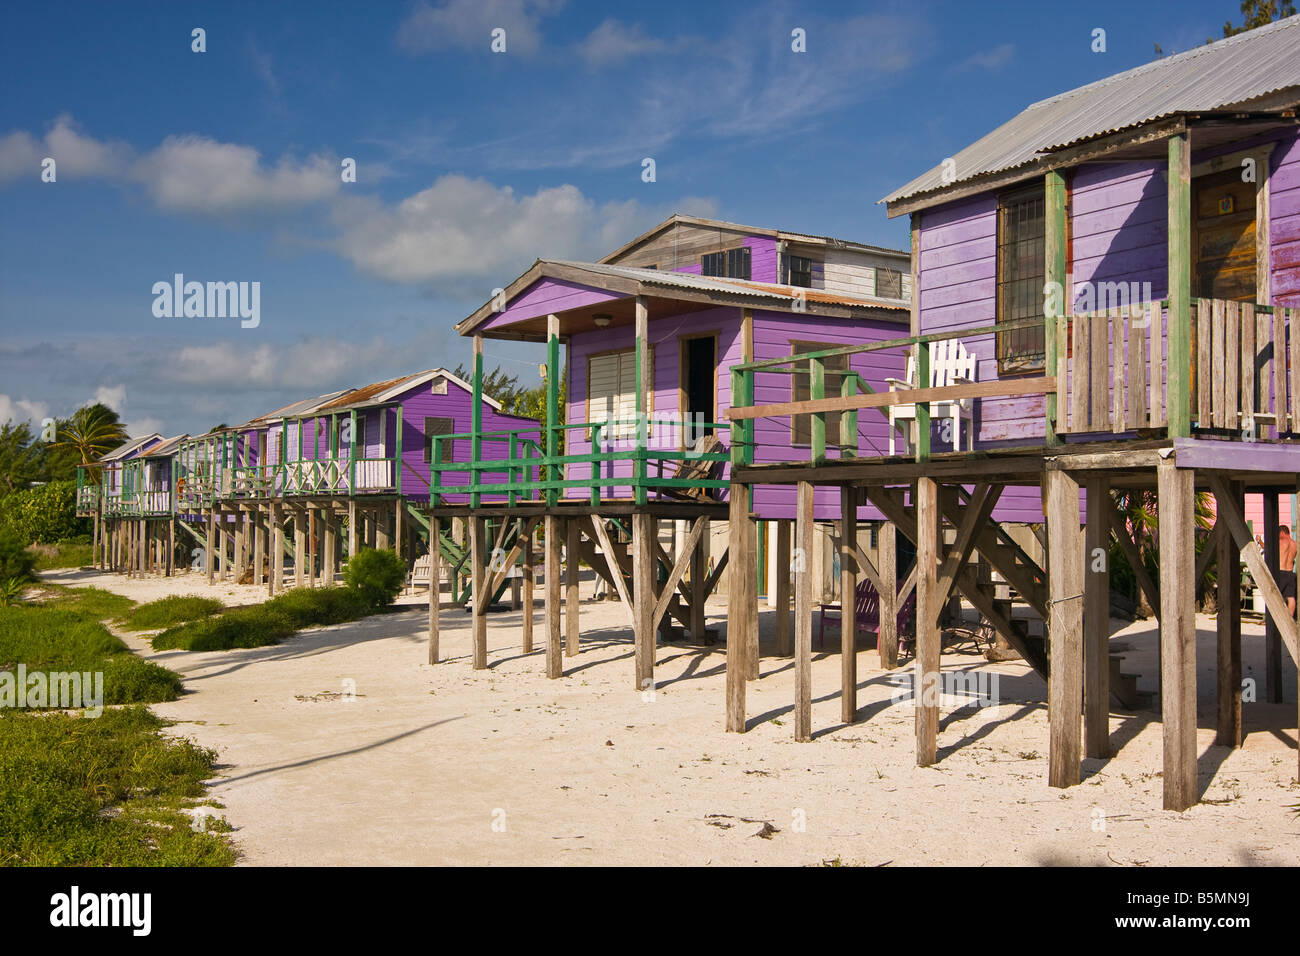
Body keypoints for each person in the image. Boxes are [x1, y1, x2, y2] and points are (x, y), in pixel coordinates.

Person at [1280, 525, 1297, 618]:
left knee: (1277, 596)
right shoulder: (1295, 544)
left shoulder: (1280, 542)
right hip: (1290, 573)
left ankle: (1279, 617)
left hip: (1281, 572)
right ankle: (1290, 619)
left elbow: (1267, 548)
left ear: (1282, 532)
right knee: (1291, 597)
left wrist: (1259, 541)